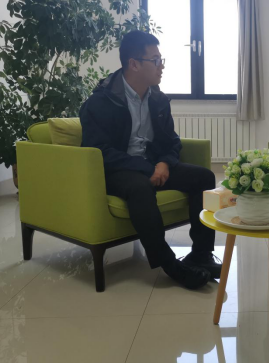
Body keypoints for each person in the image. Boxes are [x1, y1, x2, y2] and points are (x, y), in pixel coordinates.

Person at [80, 30, 221, 290]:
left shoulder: (158, 99)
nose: (161, 65)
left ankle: (201, 254)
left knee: (204, 177)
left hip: (152, 165)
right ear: (134, 64)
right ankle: (169, 264)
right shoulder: (101, 102)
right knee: (140, 187)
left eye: (161, 59)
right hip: (117, 169)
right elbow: (98, 150)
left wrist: (164, 163)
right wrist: (148, 168)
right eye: (155, 60)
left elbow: (172, 142)